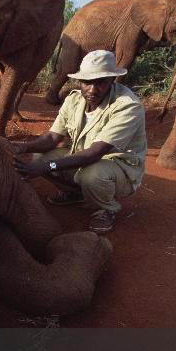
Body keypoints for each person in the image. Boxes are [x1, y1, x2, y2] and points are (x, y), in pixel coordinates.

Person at [11, 50, 147, 234]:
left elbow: (95, 153)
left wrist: (46, 167)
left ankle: (106, 209)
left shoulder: (127, 106)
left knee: (91, 175)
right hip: (83, 157)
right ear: (79, 81)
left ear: (112, 81)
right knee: (39, 156)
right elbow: (52, 138)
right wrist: (23, 147)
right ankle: (76, 194)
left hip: (118, 167)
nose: (92, 89)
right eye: (87, 82)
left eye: (100, 83)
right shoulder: (74, 99)